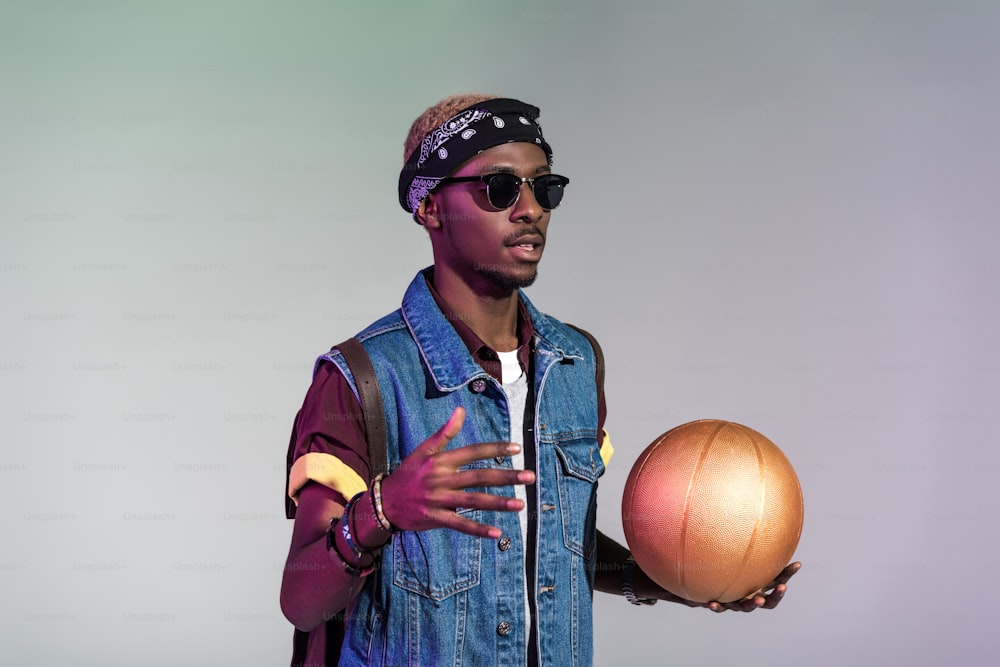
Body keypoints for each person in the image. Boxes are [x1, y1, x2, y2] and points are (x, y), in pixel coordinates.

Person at [280, 94, 800, 666]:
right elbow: (302, 601)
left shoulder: (575, 363)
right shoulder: (362, 379)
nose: (530, 209)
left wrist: (690, 574)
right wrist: (383, 510)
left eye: (543, 187)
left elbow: (558, 549)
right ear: (430, 207)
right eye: (500, 189)